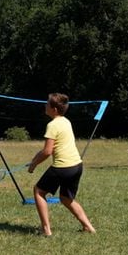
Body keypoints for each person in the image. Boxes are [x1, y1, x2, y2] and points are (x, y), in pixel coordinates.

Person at [28, 93, 96, 236]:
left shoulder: (52, 125)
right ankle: (89, 227)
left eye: (47, 104)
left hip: (63, 167)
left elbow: (47, 152)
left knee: (39, 191)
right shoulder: (66, 121)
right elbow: (50, 148)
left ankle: (46, 230)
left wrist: (34, 164)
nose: (45, 106)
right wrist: (35, 157)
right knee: (66, 198)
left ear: (54, 109)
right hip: (77, 166)